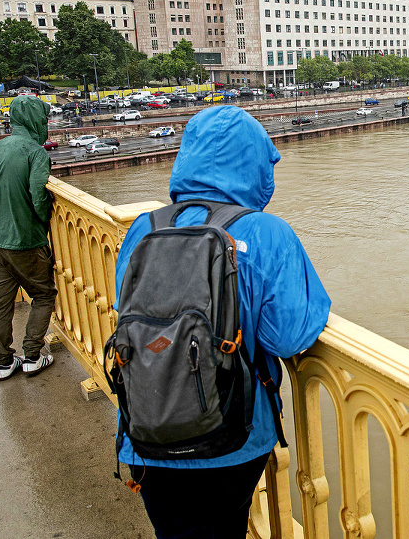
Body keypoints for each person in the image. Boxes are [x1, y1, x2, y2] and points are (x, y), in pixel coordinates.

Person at [113, 105, 331, 538]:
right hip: (230, 439)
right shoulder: (267, 232)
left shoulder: (143, 228)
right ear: (256, 163)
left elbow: (129, 315)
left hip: (147, 428)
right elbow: (289, 337)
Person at [0, 96, 57, 381]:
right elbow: (38, 196)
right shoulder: (35, 152)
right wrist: (43, 217)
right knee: (43, 294)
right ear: (37, 121)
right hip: (23, 240)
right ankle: (33, 356)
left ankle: (2, 362)